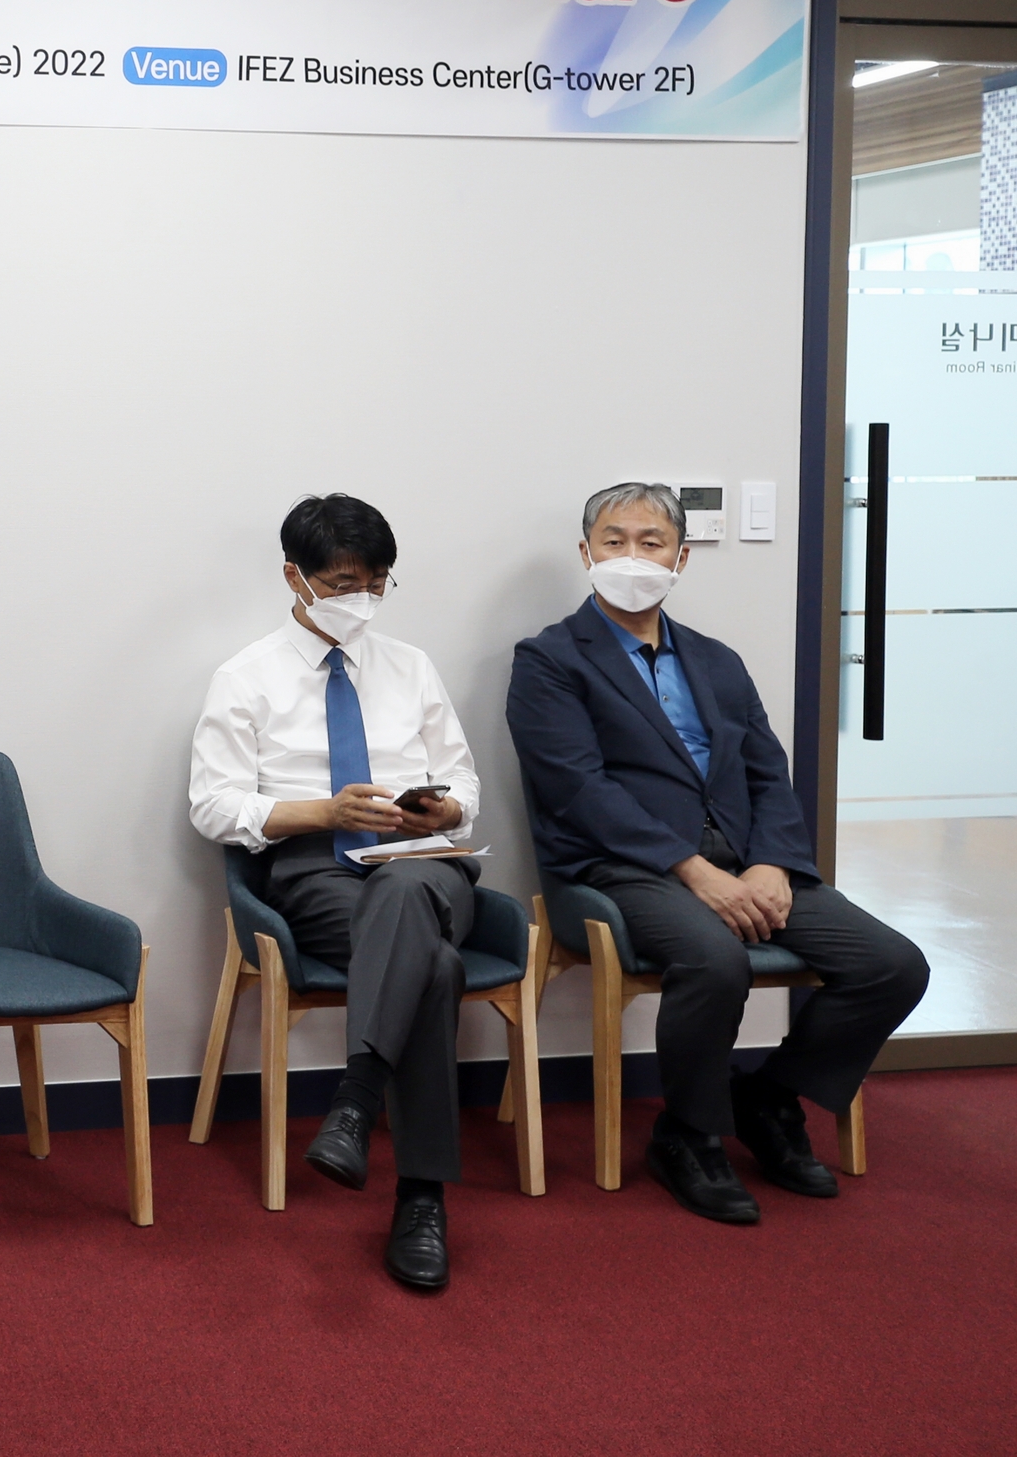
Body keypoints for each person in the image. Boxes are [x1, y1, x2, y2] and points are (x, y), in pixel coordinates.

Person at [507, 482, 927, 1224]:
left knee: (892, 964)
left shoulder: (717, 660)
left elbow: (767, 772)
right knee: (714, 958)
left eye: (651, 542)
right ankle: (688, 1134)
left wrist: (771, 862)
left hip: (743, 859)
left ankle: (768, 1098)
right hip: (616, 869)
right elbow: (578, 790)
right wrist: (693, 869)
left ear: (681, 558)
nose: (632, 556)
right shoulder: (549, 660)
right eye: (613, 540)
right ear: (585, 552)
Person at [188, 494, 480, 1290]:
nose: (364, 598)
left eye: (377, 582)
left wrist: (445, 810)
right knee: (436, 967)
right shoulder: (244, 678)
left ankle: (355, 1100)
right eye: (346, 583)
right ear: (296, 576)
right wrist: (325, 811)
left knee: (408, 890)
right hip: (318, 870)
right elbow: (212, 806)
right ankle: (420, 1196)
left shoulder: (412, 666)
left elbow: (465, 784)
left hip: (423, 860)